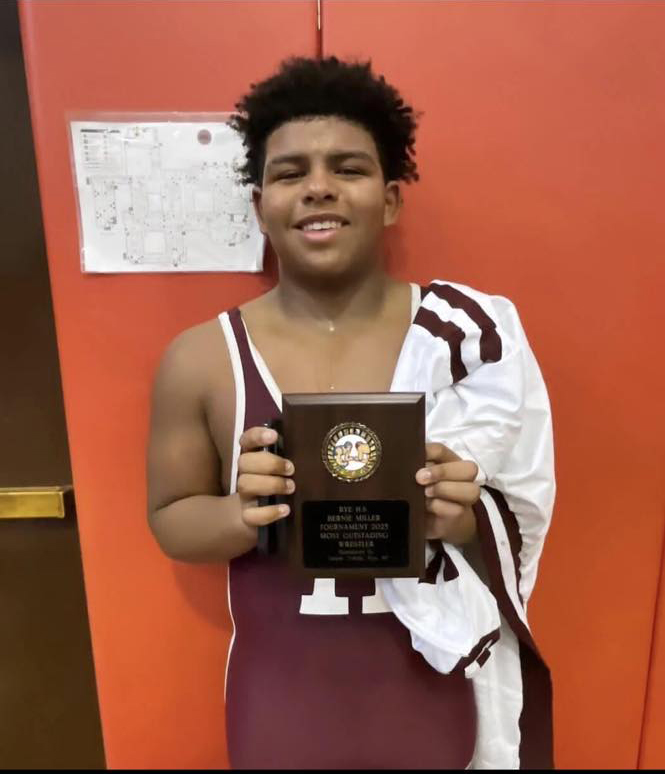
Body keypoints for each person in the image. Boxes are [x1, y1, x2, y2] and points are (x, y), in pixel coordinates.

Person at [147, 56, 554, 769]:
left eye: (348, 168)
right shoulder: (202, 357)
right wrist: (244, 514)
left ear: (391, 199)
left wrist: (459, 516)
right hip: (282, 697)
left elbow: (514, 512)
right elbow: (173, 518)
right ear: (259, 204)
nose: (318, 189)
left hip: (428, 693)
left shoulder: (462, 342)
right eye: (289, 172)